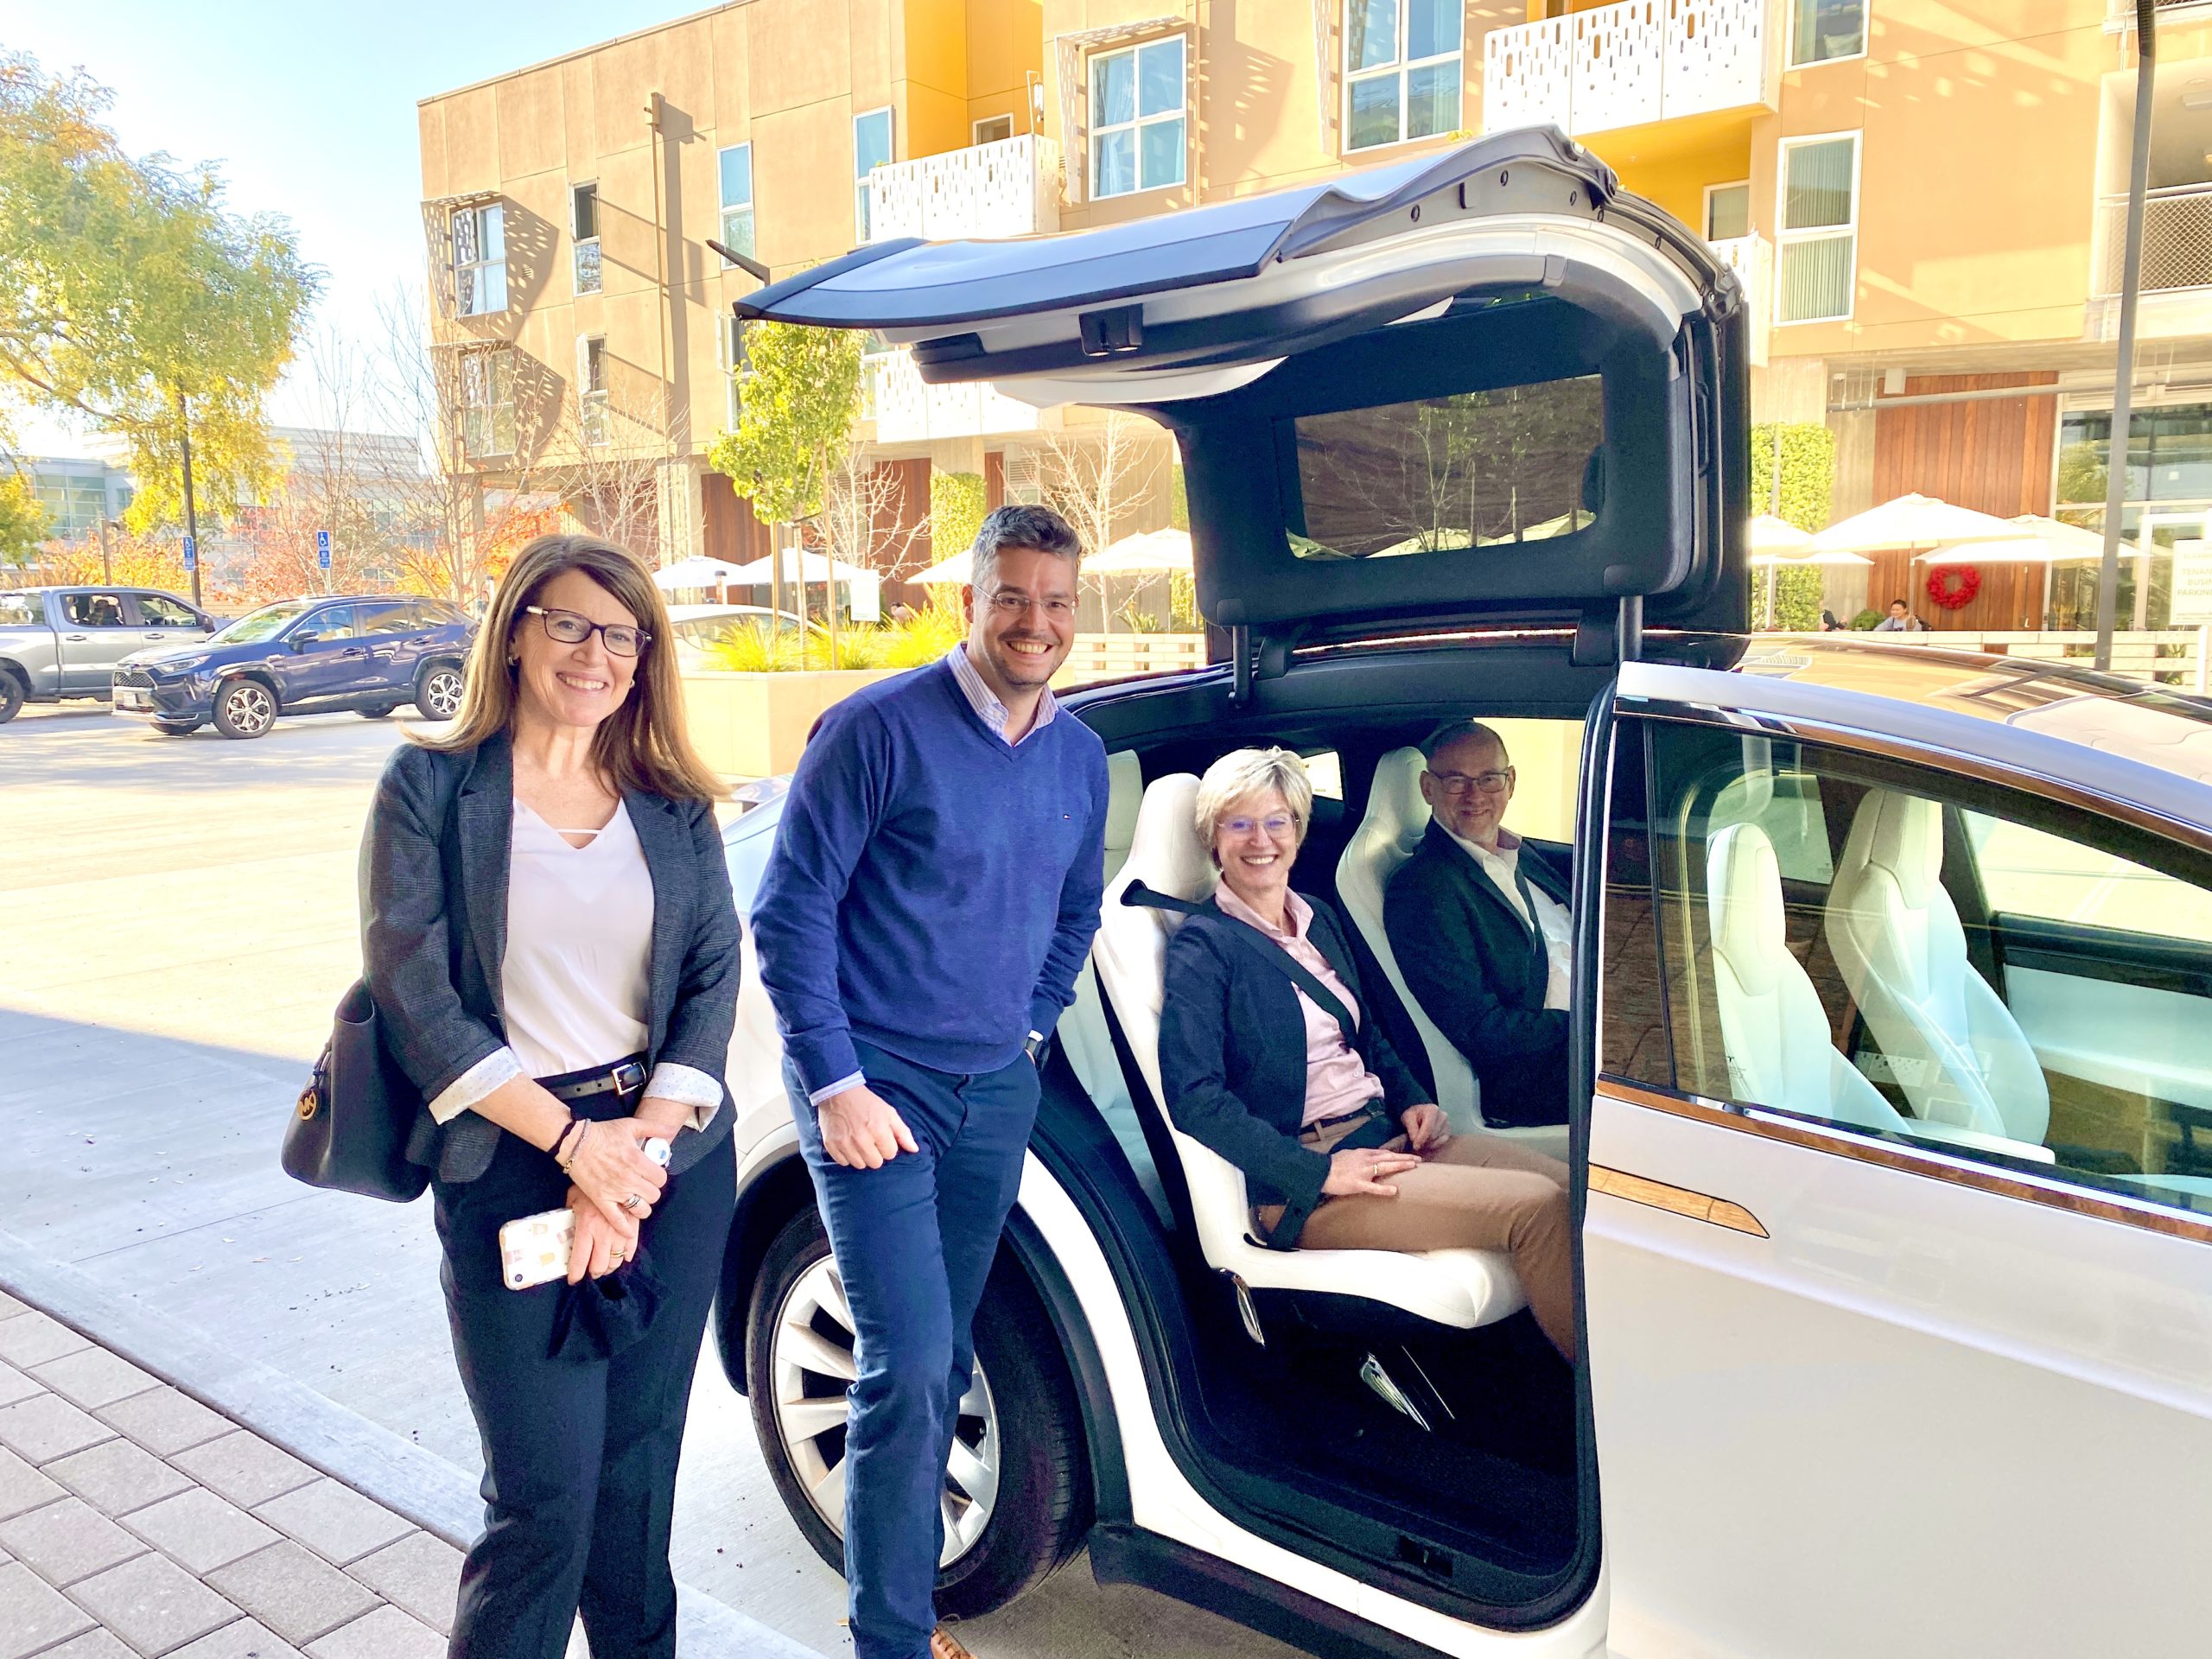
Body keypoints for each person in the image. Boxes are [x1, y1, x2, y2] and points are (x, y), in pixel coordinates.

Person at [360, 534, 742, 1659]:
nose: (598, 653)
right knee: (545, 1507)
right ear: (517, 632)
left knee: (635, 1499)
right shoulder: (431, 785)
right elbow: (414, 989)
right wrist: (579, 1149)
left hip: (667, 1162)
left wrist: (634, 1157)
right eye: (571, 623)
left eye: (623, 635)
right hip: (512, 1157)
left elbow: (716, 978)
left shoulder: (672, 803)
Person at [752, 504, 1109, 1659]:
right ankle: (890, 1642)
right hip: (877, 1096)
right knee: (905, 1366)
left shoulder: (1079, 755)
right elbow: (789, 910)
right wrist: (835, 1085)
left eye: (1056, 603)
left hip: (996, 1095)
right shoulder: (875, 731)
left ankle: (905, 1605)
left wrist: (1033, 1032)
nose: (1035, 623)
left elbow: (1074, 909)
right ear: (970, 600)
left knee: (945, 1354)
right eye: (1012, 598)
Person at [1157, 748, 1574, 1360]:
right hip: (1303, 1184)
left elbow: (1367, 1033)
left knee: (1579, 1190)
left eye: (1276, 821)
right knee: (1536, 1209)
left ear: (1299, 830)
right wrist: (1320, 1173)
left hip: (1386, 1140)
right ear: (1212, 838)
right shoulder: (1205, 947)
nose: (1260, 840)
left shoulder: (1316, 918)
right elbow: (1194, 1098)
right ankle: (1609, 1414)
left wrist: (1413, 1101)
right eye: (1237, 823)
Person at [1383, 721, 1573, 1128]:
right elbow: (1482, 1030)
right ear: (1427, 788)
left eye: (1489, 779)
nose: (1474, 796)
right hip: (1542, 1075)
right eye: (1455, 781)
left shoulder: (1521, 854)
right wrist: (1587, 1030)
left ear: (1510, 782)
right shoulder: (1423, 889)